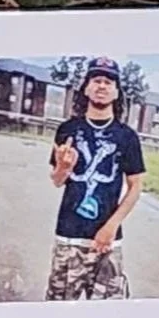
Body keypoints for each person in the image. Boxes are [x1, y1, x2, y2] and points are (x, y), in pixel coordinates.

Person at [45, 56, 145, 300]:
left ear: (116, 92)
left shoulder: (127, 137)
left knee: (109, 313)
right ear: (87, 88)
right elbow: (58, 180)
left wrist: (110, 227)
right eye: (96, 80)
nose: (102, 86)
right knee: (60, 309)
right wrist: (63, 166)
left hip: (108, 242)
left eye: (109, 82)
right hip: (69, 236)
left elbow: (135, 186)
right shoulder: (68, 130)